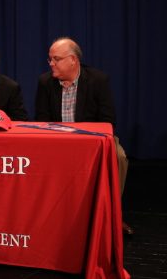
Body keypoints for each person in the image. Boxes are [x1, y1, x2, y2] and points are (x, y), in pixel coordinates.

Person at [35, 36, 133, 235]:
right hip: (57, 141)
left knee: (119, 157)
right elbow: (41, 121)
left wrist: (86, 142)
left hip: (92, 140)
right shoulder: (45, 82)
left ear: (73, 60)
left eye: (56, 59)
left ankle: (113, 215)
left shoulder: (98, 80)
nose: (51, 64)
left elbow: (108, 121)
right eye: (50, 59)